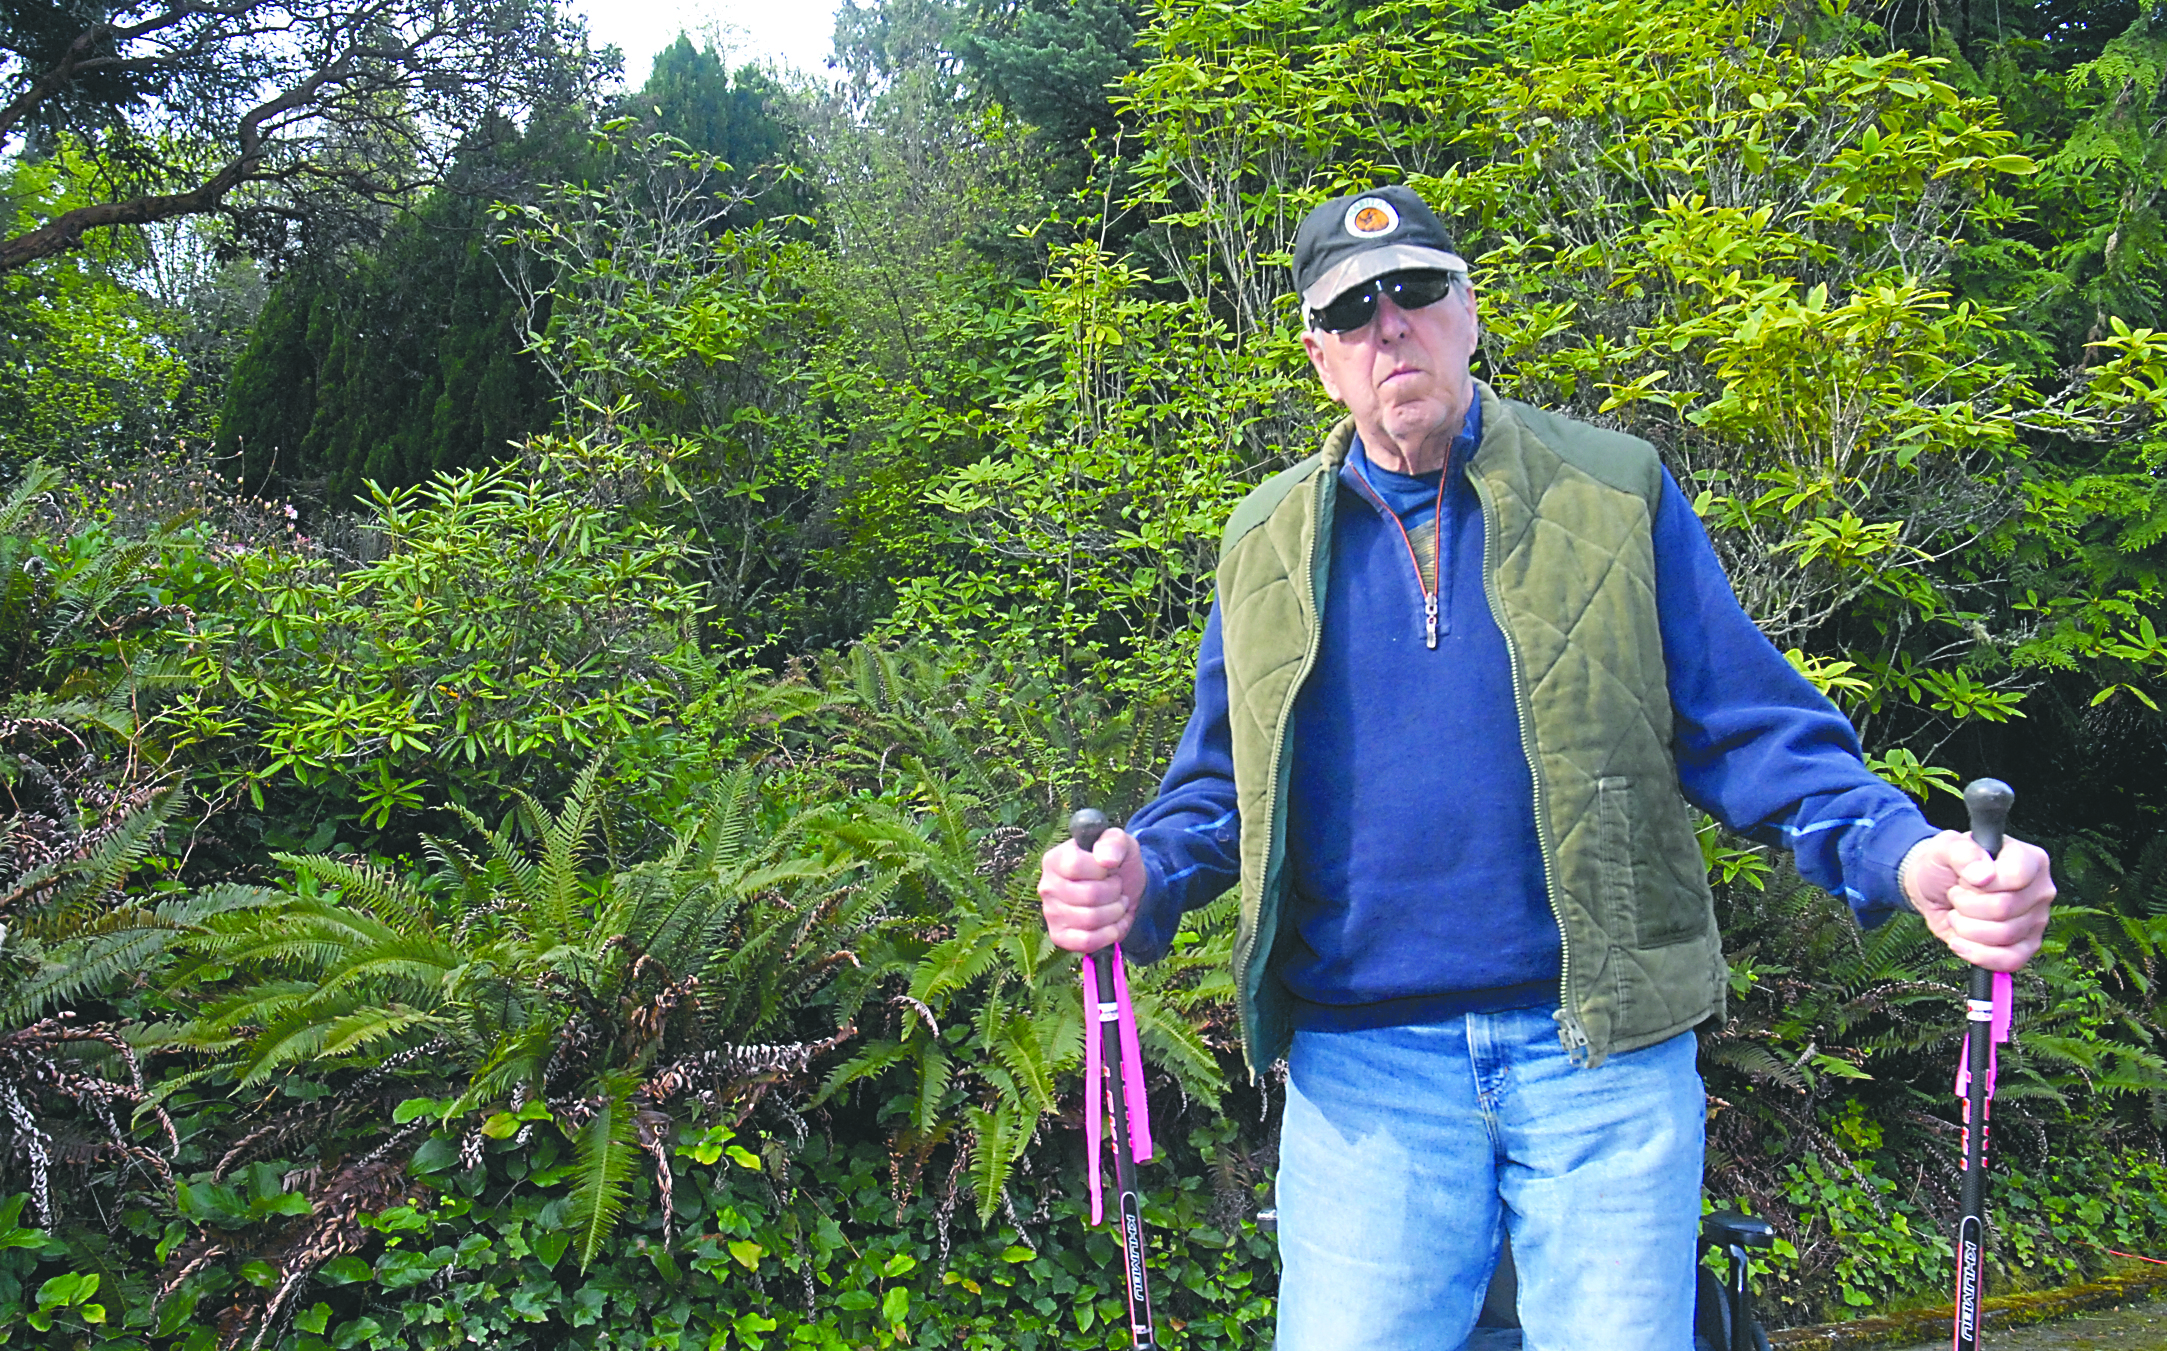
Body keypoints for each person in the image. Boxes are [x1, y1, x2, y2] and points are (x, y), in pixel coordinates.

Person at [1035, 184, 2055, 1350]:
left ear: (1468, 311)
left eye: (1415, 291)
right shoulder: (1261, 540)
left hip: (1601, 1056)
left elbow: (1748, 725)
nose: (1390, 326)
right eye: (1353, 309)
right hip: (1365, 1076)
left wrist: (1906, 853)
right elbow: (1220, 792)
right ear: (1320, 354)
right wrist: (1134, 878)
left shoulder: (1611, 489)